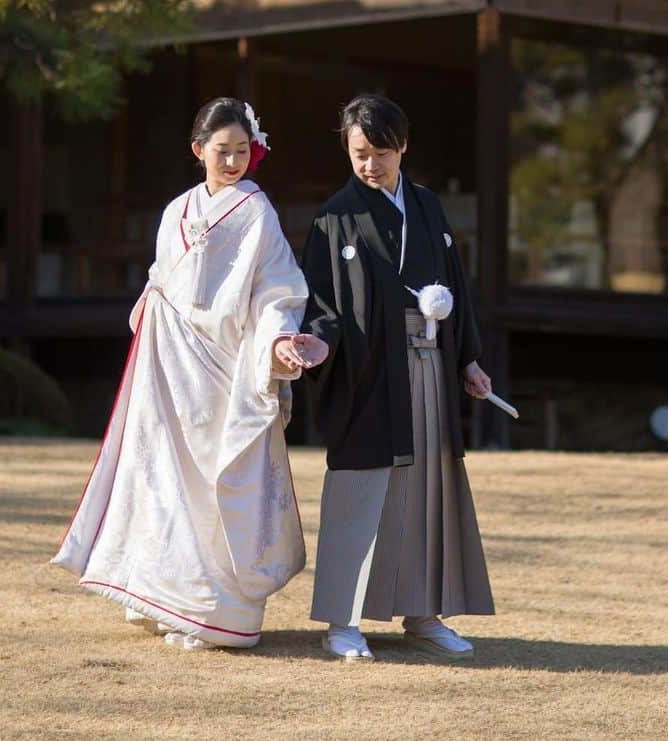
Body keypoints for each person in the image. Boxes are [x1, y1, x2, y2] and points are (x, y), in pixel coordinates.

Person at [52, 97, 327, 651]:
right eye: (222, 152)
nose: (232, 163)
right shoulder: (175, 210)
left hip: (225, 367)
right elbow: (161, 277)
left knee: (214, 483)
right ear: (198, 150)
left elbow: (276, 287)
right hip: (171, 364)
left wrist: (276, 339)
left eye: (242, 152)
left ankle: (217, 610)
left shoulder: (257, 211)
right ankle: (165, 595)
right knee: (163, 481)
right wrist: (152, 310)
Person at [300, 94, 495, 662]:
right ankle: (342, 619)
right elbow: (321, 302)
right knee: (361, 490)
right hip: (367, 369)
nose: (370, 165)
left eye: (381, 152)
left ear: (403, 147)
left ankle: (423, 612)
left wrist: (469, 360)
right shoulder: (334, 216)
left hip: (430, 364)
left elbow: (456, 284)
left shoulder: (429, 207)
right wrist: (315, 342)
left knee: (426, 491)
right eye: (359, 153)